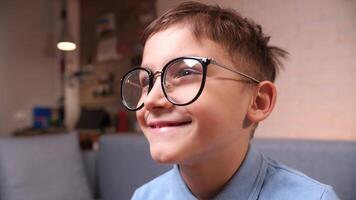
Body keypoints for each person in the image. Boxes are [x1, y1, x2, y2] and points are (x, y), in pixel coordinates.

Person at [120, 1, 340, 199]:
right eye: (146, 82)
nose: (150, 100)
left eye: (185, 73)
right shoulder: (145, 196)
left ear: (258, 102)